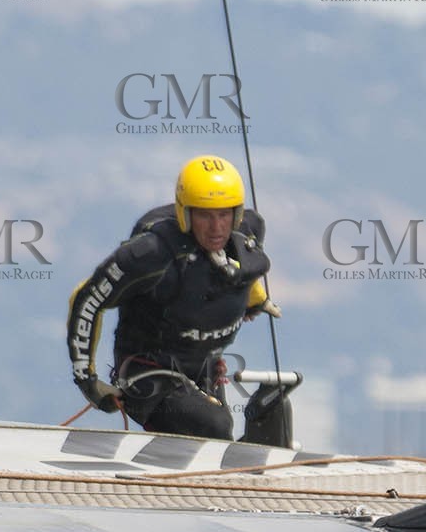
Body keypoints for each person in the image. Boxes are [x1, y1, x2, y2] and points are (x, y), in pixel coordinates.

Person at [66, 155, 280, 441]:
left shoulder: (248, 232)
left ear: (237, 213)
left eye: (224, 214)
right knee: (214, 427)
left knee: (220, 437)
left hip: (201, 366)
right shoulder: (151, 254)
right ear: (185, 213)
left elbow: (242, 269)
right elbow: (86, 299)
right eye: (204, 215)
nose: (216, 228)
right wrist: (88, 381)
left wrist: (253, 298)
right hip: (146, 374)